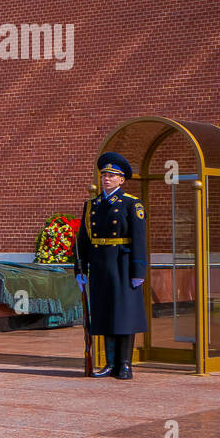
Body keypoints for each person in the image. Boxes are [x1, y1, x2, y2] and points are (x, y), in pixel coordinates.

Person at [74, 151, 147, 379]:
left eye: (112, 176)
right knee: (105, 313)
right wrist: (79, 269)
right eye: (104, 175)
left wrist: (138, 270)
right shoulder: (92, 205)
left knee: (123, 314)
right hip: (99, 265)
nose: (106, 179)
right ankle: (110, 363)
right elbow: (83, 240)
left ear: (121, 180)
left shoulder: (130, 204)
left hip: (122, 265)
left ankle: (125, 364)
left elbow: (138, 238)